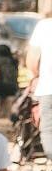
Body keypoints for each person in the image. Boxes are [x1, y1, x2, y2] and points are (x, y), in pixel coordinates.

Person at [28, 16, 52, 155]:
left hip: (48, 86)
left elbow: (32, 59)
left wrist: (36, 75)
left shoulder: (44, 26)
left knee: (48, 129)